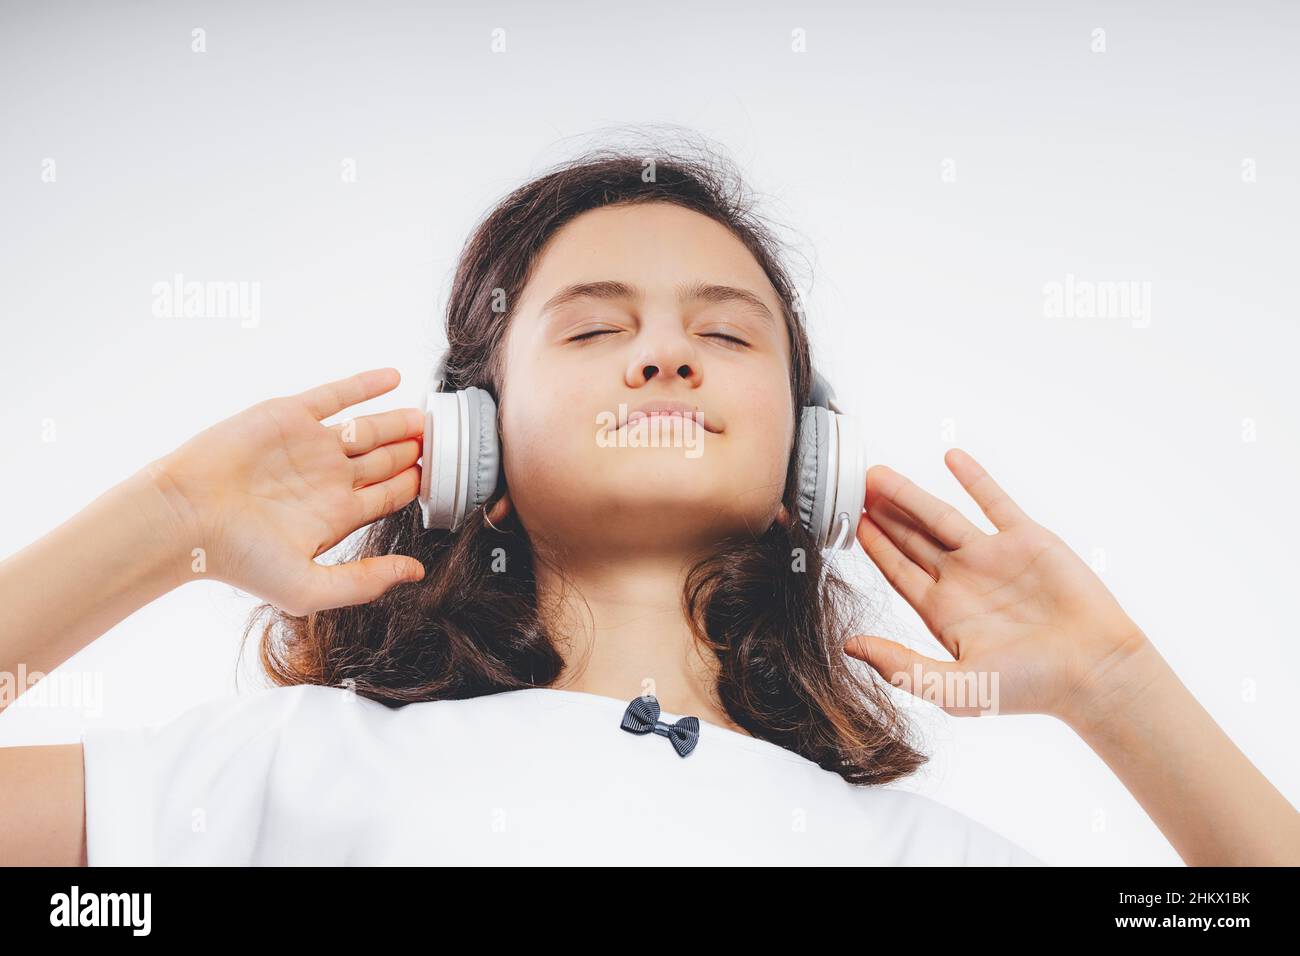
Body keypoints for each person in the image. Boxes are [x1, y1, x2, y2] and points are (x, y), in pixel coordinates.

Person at [2, 142, 1296, 866]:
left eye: (725, 336)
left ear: (811, 470)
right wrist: (162, 523)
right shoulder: (285, 770)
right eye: (595, 328)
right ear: (474, 453)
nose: (665, 355)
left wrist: (1119, 688)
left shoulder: (918, 855)